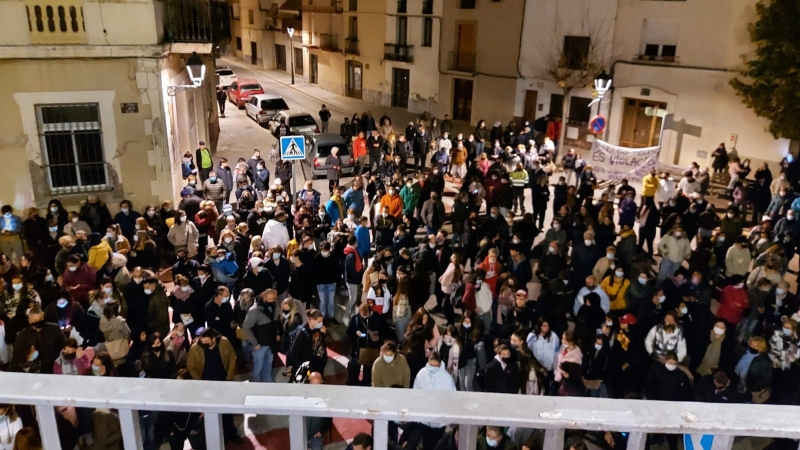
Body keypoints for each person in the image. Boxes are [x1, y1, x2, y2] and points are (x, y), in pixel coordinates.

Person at [186, 328, 242, 444]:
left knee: (227, 411)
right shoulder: (195, 348)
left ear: (213, 339)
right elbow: (190, 367)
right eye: (202, 341)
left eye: (207, 341)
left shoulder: (224, 342)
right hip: (206, 385)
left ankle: (231, 433)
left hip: (223, 382)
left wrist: (230, 375)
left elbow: (232, 356)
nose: (204, 343)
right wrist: (199, 381)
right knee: (209, 412)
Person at [242, 288, 280, 383]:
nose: (272, 301)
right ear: (264, 297)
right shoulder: (254, 310)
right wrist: (255, 343)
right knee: (258, 366)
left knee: (269, 362)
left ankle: (268, 381)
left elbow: (276, 321)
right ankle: (256, 384)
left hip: (271, 342)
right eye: (270, 298)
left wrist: (277, 333)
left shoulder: (275, 305)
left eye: (274, 298)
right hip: (260, 343)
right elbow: (246, 327)